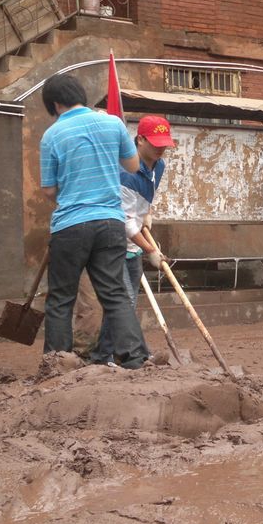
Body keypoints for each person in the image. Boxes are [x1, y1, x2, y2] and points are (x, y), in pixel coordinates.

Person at [38, 74, 150, 369]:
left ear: (54, 103)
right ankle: (135, 357)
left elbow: (49, 189)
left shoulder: (51, 135)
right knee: (114, 293)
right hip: (111, 223)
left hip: (70, 226)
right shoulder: (112, 123)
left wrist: (72, 190)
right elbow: (132, 165)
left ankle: (57, 362)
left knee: (61, 298)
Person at [89, 115, 173, 366]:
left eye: (164, 144)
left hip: (135, 241)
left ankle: (108, 355)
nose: (160, 149)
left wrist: (147, 213)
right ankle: (115, 356)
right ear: (140, 140)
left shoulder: (159, 166)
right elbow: (125, 222)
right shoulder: (124, 171)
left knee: (126, 302)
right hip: (113, 240)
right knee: (123, 299)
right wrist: (152, 250)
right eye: (155, 143)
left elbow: (145, 199)